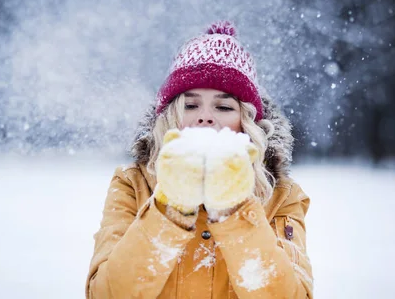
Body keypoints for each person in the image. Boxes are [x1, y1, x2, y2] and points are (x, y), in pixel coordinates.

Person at [85, 21, 313, 298]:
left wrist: (234, 209)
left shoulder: (282, 196)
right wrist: (170, 208)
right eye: (190, 105)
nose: (205, 117)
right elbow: (106, 294)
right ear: (170, 118)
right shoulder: (131, 185)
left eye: (224, 106)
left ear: (247, 122)